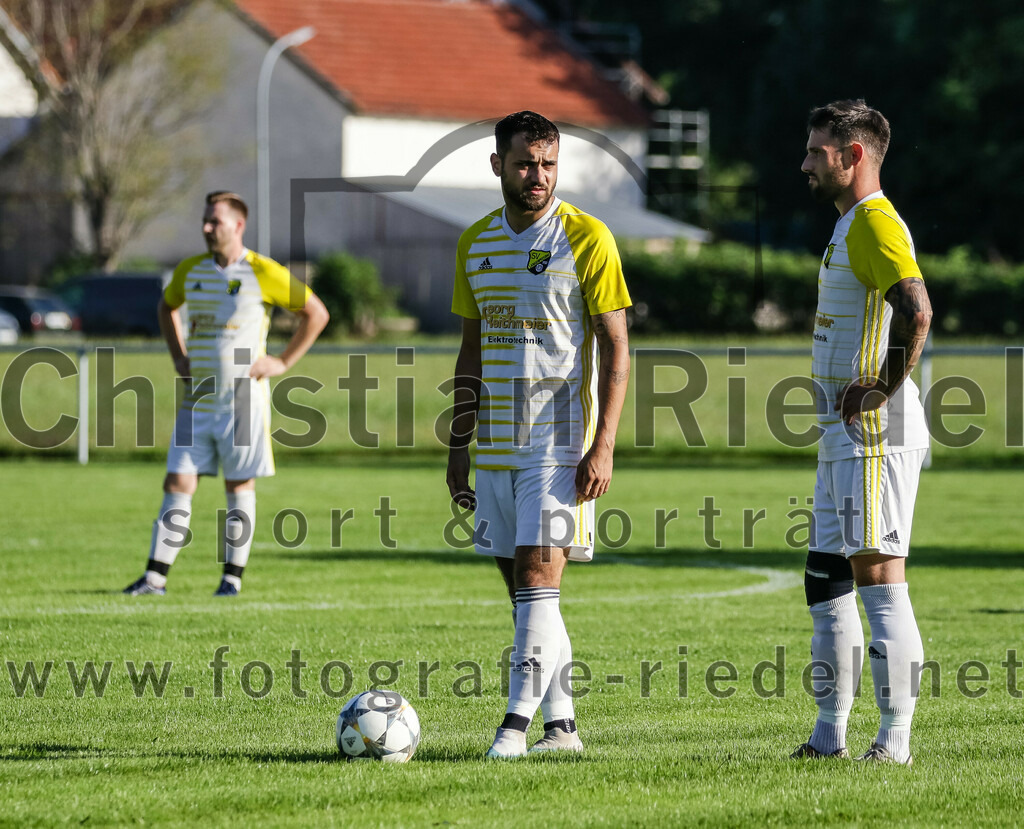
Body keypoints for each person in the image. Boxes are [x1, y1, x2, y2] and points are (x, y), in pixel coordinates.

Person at [445, 111, 632, 758]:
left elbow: (617, 348)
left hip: (559, 446)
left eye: (549, 164)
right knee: (527, 600)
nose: (539, 176)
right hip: (493, 447)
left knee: (537, 583)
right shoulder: (474, 242)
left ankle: (512, 730)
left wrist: (603, 444)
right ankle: (563, 727)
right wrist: (457, 447)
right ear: (498, 164)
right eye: (526, 163)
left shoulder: (587, 236)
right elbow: (470, 352)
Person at [791, 100, 933, 765]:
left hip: (873, 433)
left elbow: (916, 309)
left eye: (816, 151)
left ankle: (895, 741)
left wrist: (880, 387)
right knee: (825, 577)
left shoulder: (875, 223)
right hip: (842, 433)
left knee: (879, 579)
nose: (805, 163)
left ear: (852, 156)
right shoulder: (852, 223)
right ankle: (828, 736)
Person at [124, 191, 328, 596]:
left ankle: (231, 580)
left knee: (238, 485)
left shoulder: (263, 271)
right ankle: (154, 578)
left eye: (214, 221)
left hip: (242, 400)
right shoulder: (190, 271)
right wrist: (178, 357)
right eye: (205, 220)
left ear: (238, 225)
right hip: (197, 399)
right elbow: (167, 309)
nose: (206, 227)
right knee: (177, 481)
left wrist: (282, 362)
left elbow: (316, 313)